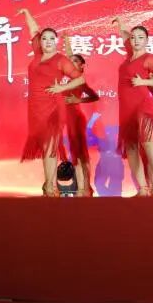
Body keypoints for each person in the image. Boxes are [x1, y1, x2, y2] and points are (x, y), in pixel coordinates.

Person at [16, 9, 86, 197]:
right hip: (35, 108)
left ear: (56, 41)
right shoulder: (38, 54)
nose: (47, 41)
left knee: (50, 147)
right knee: (45, 147)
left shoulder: (61, 60)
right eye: (44, 39)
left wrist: (61, 88)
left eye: (51, 39)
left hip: (53, 107)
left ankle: (50, 186)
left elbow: (79, 79)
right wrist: (26, 13)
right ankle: (50, 184)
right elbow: (33, 30)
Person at [113, 18, 153, 196]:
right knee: (131, 146)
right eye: (133, 38)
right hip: (126, 108)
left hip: (142, 105)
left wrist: (143, 82)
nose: (136, 40)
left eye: (140, 37)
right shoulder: (129, 56)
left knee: (148, 143)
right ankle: (143, 188)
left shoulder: (149, 59)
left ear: (146, 40)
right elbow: (125, 36)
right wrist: (120, 25)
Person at [61, 33, 99, 196]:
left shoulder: (80, 80)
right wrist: (66, 40)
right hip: (67, 119)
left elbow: (94, 96)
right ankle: (81, 186)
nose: (72, 63)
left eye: (76, 61)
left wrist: (78, 100)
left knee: (81, 153)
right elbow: (69, 57)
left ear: (82, 66)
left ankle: (86, 187)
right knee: (74, 154)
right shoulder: (70, 79)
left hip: (76, 118)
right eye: (71, 61)